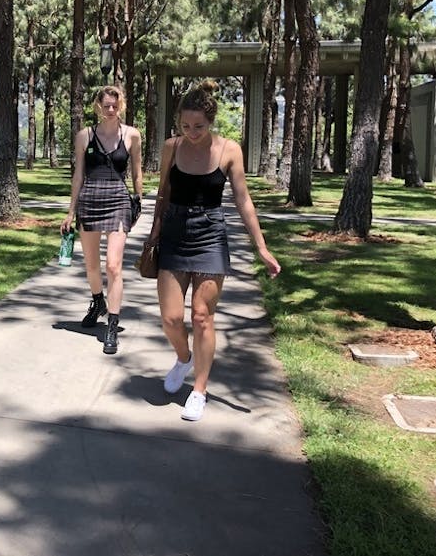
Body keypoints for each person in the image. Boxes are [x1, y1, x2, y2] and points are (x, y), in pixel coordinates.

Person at [149, 80, 281, 422]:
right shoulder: (171, 147)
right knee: (171, 318)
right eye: (186, 125)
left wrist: (261, 247)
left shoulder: (229, 150)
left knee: (202, 317)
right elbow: (163, 193)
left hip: (210, 233)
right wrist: (154, 233)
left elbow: (243, 200)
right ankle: (183, 358)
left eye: (199, 126)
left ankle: (199, 390)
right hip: (175, 232)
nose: (192, 132)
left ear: (211, 121)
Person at [61, 84, 143, 355]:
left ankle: (112, 323)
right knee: (92, 266)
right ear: (98, 106)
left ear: (121, 105)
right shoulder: (84, 136)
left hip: (118, 200)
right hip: (90, 200)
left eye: (114, 105)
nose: (110, 110)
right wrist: (71, 211)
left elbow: (137, 170)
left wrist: (138, 199)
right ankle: (97, 301)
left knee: (114, 266)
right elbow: (78, 176)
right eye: (105, 105)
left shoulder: (132, 135)